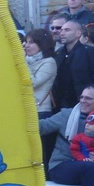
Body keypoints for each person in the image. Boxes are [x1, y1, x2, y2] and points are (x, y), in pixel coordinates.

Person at [54, 20, 94, 109]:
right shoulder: (59, 54)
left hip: (87, 106)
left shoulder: (91, 52)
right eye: (61, 30)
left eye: (67, 30)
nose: (62, 33)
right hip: (63, 106)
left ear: (78, 33)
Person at [24, 28, 58, 171]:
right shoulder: (26, 61)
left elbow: (32, 82)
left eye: (31, 42)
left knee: (40, 149)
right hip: (24, 110)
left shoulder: (49, 62)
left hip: (40, 111)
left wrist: (21, 62)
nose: (26, 45)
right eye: (25, 42)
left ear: (42, 44)